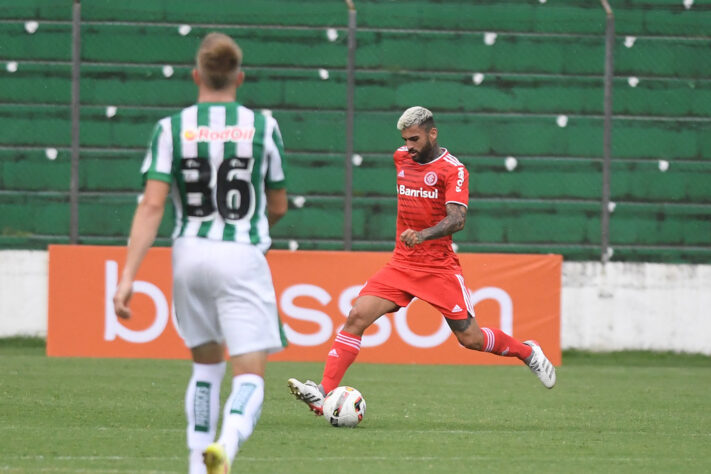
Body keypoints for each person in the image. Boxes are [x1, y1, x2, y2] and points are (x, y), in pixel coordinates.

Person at [288, 106, 556, 414]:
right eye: (405, 139)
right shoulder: (401, 158)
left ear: (433, 133)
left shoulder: (453, 170)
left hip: (438, 268)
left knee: (470, 338)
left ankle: (527, 352)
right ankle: (324, 393)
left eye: (414, 139)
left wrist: (423, 235)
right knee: (356, 317)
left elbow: (458, 219)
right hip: (402, 264)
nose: (409, 146)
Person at [113, 32, 288, 474]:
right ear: (239, 77)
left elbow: (152, 205)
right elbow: (279, 204)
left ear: (196, 76)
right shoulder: (263, 126)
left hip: (188, 253)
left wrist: (128, 275)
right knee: (248, 374)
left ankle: (196, 463)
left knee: (206, 369)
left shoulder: (171, 128)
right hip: (241, 252)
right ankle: (225, 446)